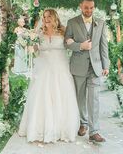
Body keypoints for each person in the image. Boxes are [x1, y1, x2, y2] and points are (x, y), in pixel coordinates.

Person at [18, 9, 79, 143]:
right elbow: (35, 49)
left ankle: (61, 129)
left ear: (54, 17)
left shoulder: (64, 31)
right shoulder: (39, 33)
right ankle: (40, 128)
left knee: (61, 96)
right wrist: (29, 44)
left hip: (60, 69)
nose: (46, 19)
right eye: (44, 17)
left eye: (49, 17)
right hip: (43, 69)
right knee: (42, 96)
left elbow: (71, 45)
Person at [64, 0, 110, 143]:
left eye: (91, 7)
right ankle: (83, 123)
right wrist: (80, 46)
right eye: (86, 7)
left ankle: (94, 131)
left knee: (94, 99)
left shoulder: (101, 23)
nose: (89, 10)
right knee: (80, 97)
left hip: (95, 67)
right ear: (80, 6)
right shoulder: (72, 22)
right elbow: (66, 43)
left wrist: (106, 65)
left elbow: (104, 46)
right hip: (78, 66)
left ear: (94, 7)